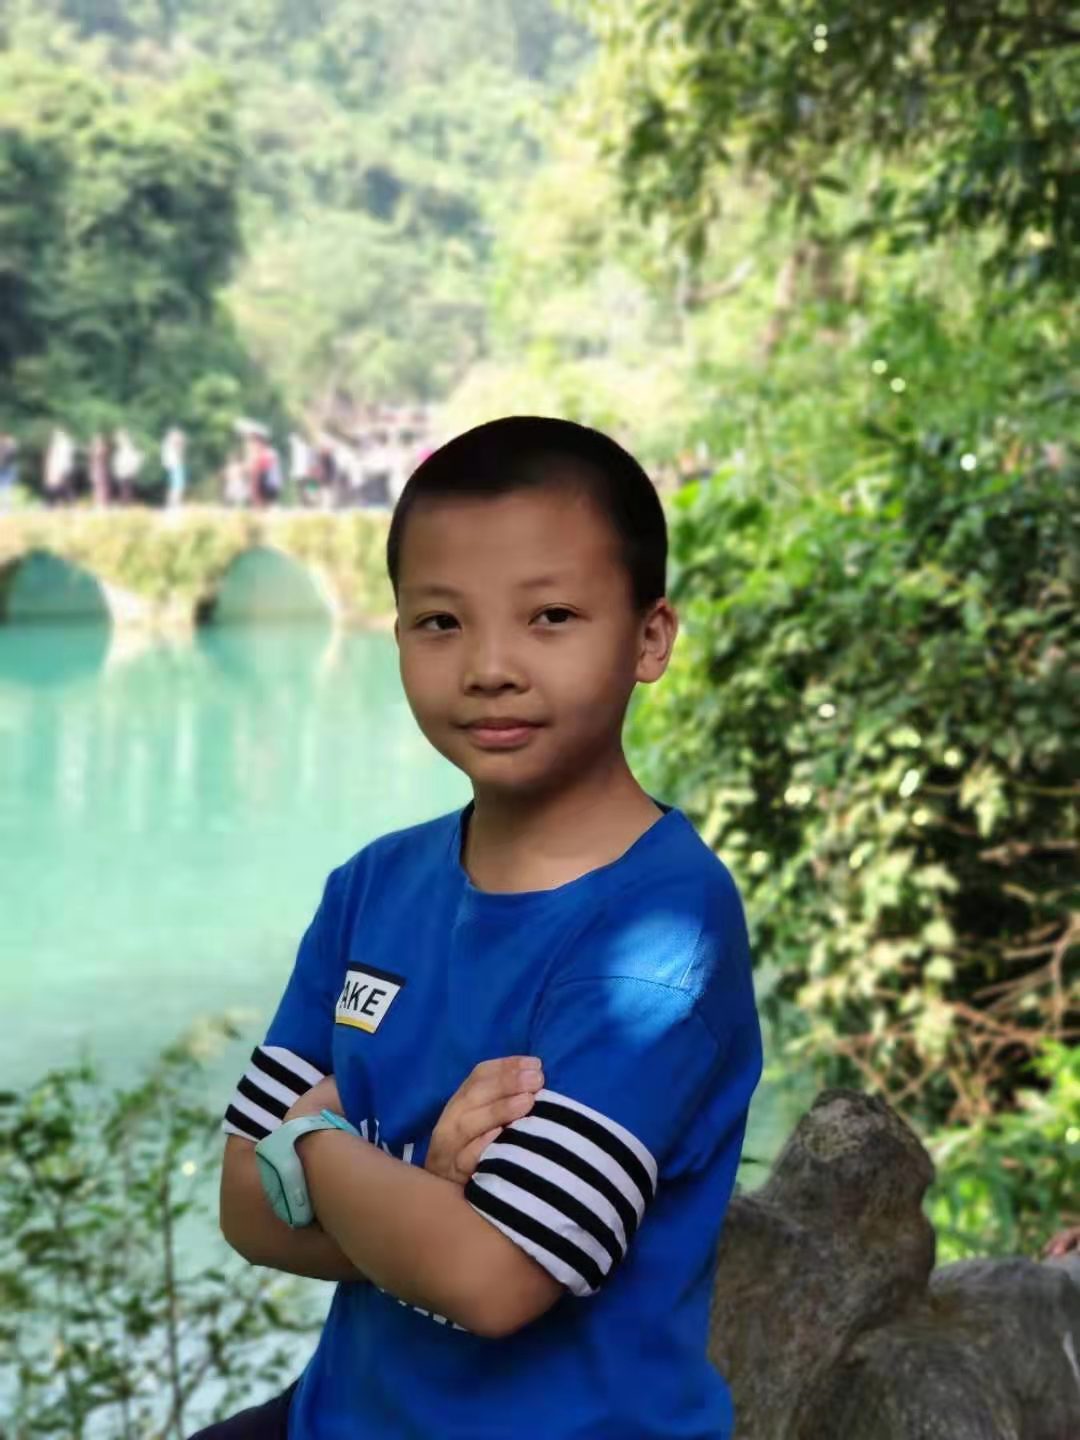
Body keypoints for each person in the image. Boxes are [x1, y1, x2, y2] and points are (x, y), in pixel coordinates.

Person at [203, 416, 763, 1440]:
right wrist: (424, 1190)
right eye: (440, 621)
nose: (490, 666)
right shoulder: (373, 887)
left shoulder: (658, 935)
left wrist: (315, 1141)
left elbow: (493, 1278)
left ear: (649, 638)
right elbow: (244, 1206)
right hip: (344, 1415)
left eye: (551, 617)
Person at [43, 427, 75, 505]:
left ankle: (55, 502)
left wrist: (58, 470)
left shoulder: (63, 444)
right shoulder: (61, 444)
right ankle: (54, 502)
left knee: (61, 486)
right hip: (59, 468)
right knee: (58, 486)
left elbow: (62, 459)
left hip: (61, 468)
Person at [113, 428, 143, 504]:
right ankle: (126, 502)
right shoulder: (123, 446)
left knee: (126, 486)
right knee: (125, 487)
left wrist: (130, 467)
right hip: (124, 469)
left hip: (126, 468)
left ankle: (126, 502)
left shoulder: (127, 445)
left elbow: (130, 457)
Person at [162, 427, 187, 509]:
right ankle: (174, 504)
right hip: (175, 465)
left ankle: (173, 504)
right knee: (177, 486)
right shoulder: (170, 444)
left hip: (173, 465)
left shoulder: (167, 444)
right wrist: (180, 443)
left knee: (175, 486)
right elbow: (180, 449)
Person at [89, 433, 111, 508]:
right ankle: (98, 502)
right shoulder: (94, 450)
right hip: (96, 470)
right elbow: (92, 461)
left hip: (101, 470)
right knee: (96, 487)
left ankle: (103, 503)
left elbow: (102, 456)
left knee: (102, 486)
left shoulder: (101, 449)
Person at [0, 433, 18, 508]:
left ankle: (6, 506)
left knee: (6, 488)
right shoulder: (11, 446)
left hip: (7, 468)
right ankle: (6, 506)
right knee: (7, 488)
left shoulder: (7, 447)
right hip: (8, 468)